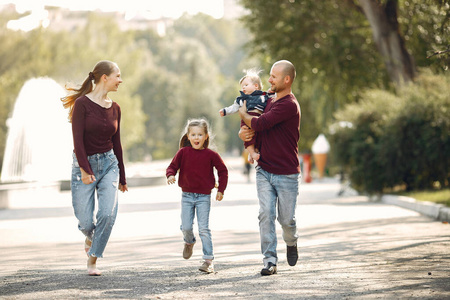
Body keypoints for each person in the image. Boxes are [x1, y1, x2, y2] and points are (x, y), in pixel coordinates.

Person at [61, 60, 128, 276]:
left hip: (109, 164)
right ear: (104, 78)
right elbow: (77, 141)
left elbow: (117, 144)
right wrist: (84, 168)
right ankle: (90, 237)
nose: (121, 80)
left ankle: (93, 260)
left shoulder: (116, 108)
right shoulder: (82, 104)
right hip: (85, 164)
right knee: (85, 220)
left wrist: (122, 178)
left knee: (107, 214)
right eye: (118, 75)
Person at [238, 60, 301, 276]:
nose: (269, 79)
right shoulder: (268, 100)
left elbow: (260, 123)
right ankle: (270, 260)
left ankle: (291, 242)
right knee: (265, 213)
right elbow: (255, 127)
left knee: (286, 220)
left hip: (287, 173)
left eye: (274, 76)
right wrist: (243, 134)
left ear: (287, 80)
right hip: (264, 169)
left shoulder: (289, 105)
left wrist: (242, 113)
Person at [166, 118, 228, 274]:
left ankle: (208, 261)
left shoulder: (211, 155)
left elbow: (223, 171)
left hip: (203, 198)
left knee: (204, 229)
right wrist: (170, 175)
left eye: (200, 134)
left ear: (206, 136)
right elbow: (172, 167)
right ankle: (189, 242)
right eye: (193, 134)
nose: (196, 138)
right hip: (186, 196)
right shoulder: (183, 152)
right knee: (186, 227)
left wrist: (221, 189)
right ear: (188, 136)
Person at [219, 69, 272, 163]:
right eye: (242, 86)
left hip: (259, 119)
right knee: (248, 136)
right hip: (246, 119)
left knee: (258, 136)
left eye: (246, 85)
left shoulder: (264, 96)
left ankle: (253, 154)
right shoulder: (242, 99)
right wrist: (225, 111)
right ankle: (252, 153)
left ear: (256, 86)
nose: (243, 88)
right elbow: (234, 107)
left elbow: (271, 100)